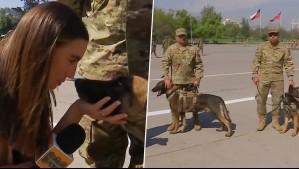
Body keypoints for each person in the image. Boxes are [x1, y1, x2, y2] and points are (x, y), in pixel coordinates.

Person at [0, 2, 127, 167]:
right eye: (71, 60)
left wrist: (80, 109)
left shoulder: (33, 89)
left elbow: (42, 156)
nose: (71, 74)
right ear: (43, 49)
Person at [57, 0, 151, 168]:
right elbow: (65, 16)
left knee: (144, 156)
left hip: (144, 76)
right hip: (100, 75)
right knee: (103, 156)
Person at [251, 27, 295, 132]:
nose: (273, 36)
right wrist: (255, 75)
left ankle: (275, 121)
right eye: (271, 35)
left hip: (278, 79)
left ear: (278, 35)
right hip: (263, 78)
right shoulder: (262, 47)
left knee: (277, 100)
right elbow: (256, 61)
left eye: (275, 34)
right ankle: (262, 120)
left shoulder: (284, 48)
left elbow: (288, 63)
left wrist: (291, 78)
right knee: (260, 99)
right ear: (268, 36)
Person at [161, 28, 204, 130]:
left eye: (184, 36)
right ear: (176, 37)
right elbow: (165, 64)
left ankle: (196, 121)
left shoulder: (193, 50)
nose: (182, 38)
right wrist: (166, 78)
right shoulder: (171, 49)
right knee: (174, 105)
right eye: (180, 36)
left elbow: (199, 65)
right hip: (176, 84)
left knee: (193, 102)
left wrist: (198, 78)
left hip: (190, 83)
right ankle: (175, 122)